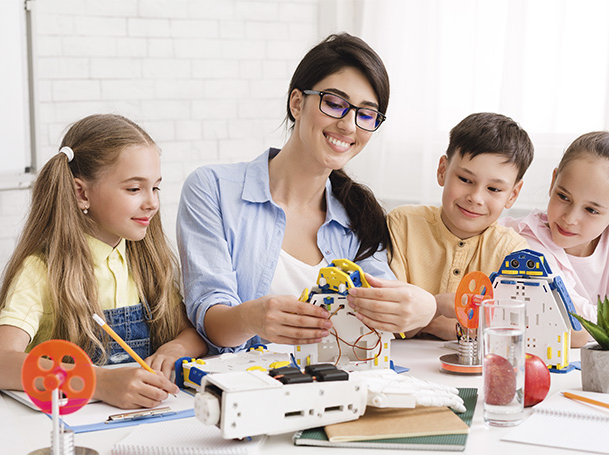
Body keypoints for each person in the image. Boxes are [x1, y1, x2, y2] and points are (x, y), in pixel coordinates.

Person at [176, 33, 436, 354]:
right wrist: (252, 318)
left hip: (338, 388)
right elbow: (209, 318)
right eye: (335, 103)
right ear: (297, 102)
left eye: (366, 114)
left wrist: (423, 310)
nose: (349, 126)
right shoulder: (212, 188)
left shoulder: (360, 214)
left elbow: (377, 321)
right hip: (245, 388)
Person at [0, 114, 207, 409]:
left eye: (155, 188)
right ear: (81, 193)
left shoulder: (149, 263)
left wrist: (176, 348)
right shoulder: (41, 271)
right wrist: (98, 383)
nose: (152, 202)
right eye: (134, 189)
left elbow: (192, 333)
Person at [387, 113, 533, 341]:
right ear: (443, 170)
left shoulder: (512, 251)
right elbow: (386, 320)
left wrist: (434, 322)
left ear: (512, 195)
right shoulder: (402, 224)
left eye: (494, 189)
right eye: (465, 180)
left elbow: (518, 330)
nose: (476, 198)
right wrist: (436, 307)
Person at [503, 132, 609, 347]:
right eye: (563, 197)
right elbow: (565, 316)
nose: (570, 219)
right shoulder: (528, 240)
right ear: (553, 181)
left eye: (591, 210)